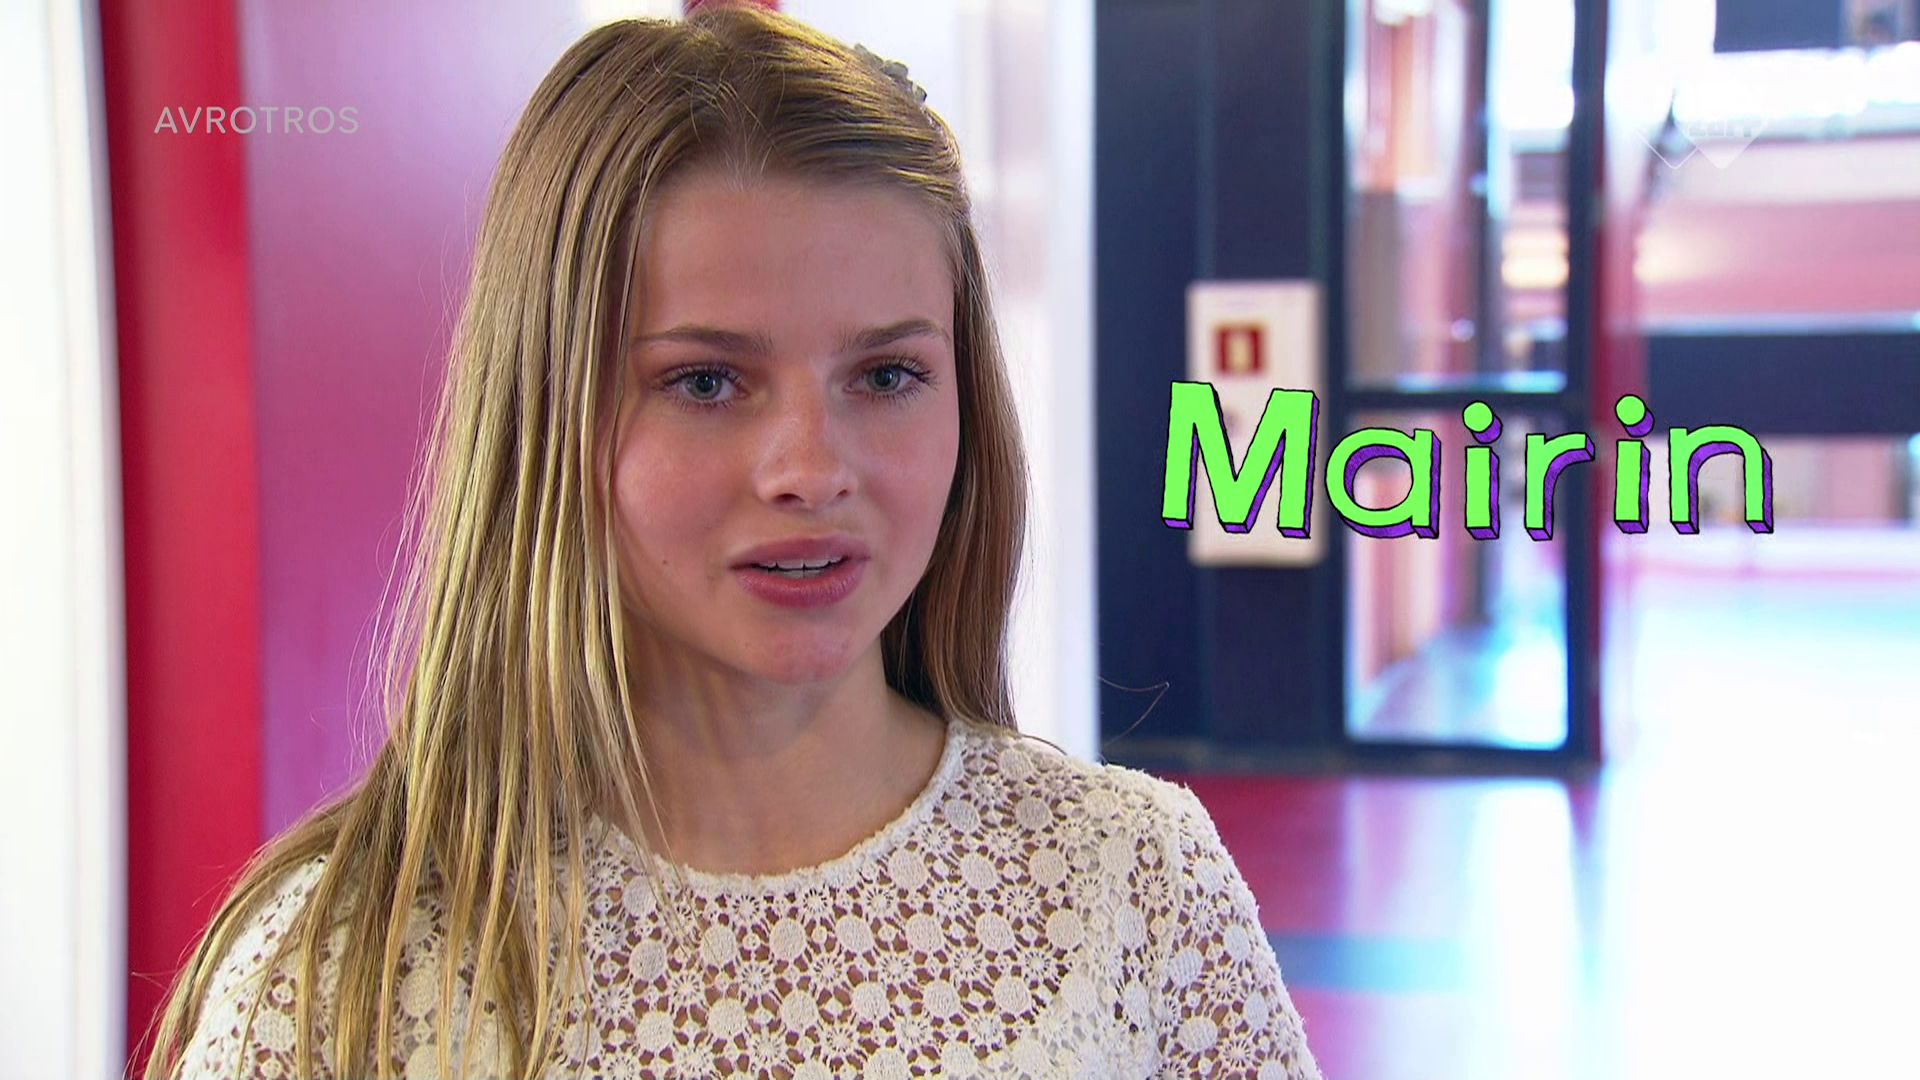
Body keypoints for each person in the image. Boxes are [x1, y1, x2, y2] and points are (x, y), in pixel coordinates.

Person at [143, 6, 1323, 1078]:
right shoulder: (336, 974)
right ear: (547, 415)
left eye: (887, 374)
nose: (812, 468)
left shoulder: (1133, 883)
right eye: (706, 380)